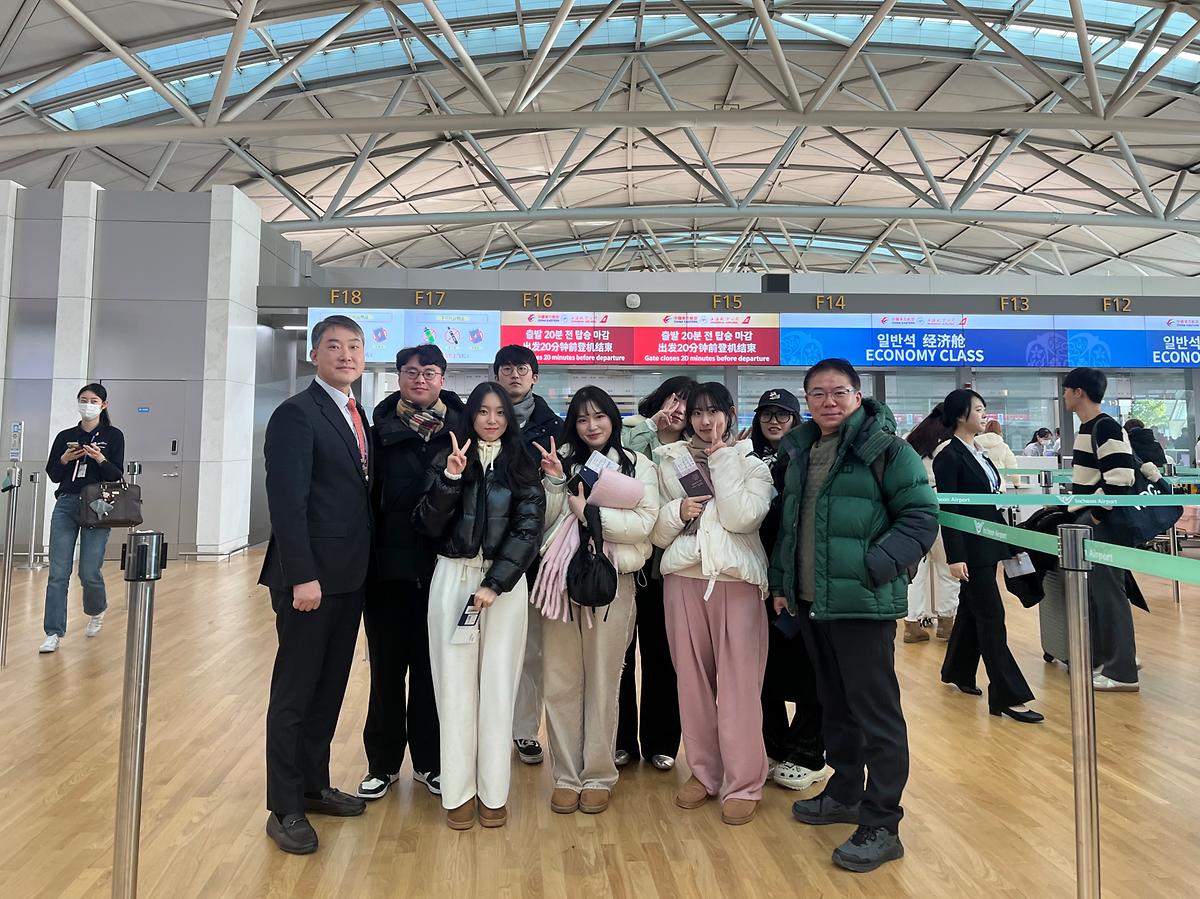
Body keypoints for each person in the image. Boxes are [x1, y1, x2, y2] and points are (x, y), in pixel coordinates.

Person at [770, 358, 937, 874]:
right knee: (835, 704)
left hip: (861, 603)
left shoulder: (887, 450)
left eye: (838, 392)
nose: (829, 402)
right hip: (811, 600)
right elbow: (791, 526)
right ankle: (845, 792)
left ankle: (883, 823)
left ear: (857, 396)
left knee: (876, 713)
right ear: (807, 401)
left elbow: (921, 517)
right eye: (818, 393)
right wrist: (782, 585)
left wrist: (874, 566)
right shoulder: (800, 449)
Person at [260, 315, 372, 855]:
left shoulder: (355, 412)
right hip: (310, 581)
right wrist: (302, 575)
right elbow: (287, 502)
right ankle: (284, 806)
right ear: (314, 354)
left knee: (329, 688)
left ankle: (313, 784)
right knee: (295, 692)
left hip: (348, 577)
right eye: (334, 346)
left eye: (354, 346)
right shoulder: (296, 414)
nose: (345, 355)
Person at [414, 382, 546, 830]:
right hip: (452, 579)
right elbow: (426, 524)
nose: (492, 420)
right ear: (470, 415)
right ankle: (458, 792)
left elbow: (528, 531)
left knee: (498, 688)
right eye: (483, 411)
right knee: (453, 688)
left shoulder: (522, 463)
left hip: (503, 590)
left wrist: (495, 583)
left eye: (500, 412)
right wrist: (451, 479)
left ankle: (493, 793)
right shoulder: (447, 458)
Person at [652, 382, 773, 827]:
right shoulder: (669, 461)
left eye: (713, 412)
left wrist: (722, 458)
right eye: (697, 413)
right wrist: (676, 512)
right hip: (683, 579)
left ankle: (744, 782)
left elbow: (741, 518)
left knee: (740, 686)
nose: (705, 421)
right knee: (692, 684)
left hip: (736, 582)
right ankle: (704, 773)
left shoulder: (752, 464)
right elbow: (655, 530)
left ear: (730, 413)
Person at [535, 386, 659, 815]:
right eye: (583, 418)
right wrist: (556, 483)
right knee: (561, 679)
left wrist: (589, 513)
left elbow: (645, 523)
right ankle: (566, 775)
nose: (592, 426)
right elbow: (543, 522)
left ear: (613, 419)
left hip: (613, 584)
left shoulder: (637, 464)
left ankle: (599, 775)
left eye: (600, 416)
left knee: (605, 681)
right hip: (560, 583)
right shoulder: (561, 460)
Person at [356, 345, 464, 802]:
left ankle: (430, 762)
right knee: (385, 673)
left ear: (443, 379)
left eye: (429, 372)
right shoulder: (376, 432)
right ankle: (381, 765)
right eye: (411, 372)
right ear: (399, 377)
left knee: (431, 672)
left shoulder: (461, 432)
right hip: (387, 574)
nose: (420, 380)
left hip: (443, 573)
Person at [934, 389, 1043, 725]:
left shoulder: (978, 451)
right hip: (970, 549)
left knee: (973, 611)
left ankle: (958, 671)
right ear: (960, 415)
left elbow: (990, 501)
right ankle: (1008, 695)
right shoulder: (948, 456)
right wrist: (955, 556)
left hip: (988, 542)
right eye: (978, 409)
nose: (984, 415)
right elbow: (950, 509)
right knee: (992, 616)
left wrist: (1008, 541)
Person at [750, 388, 827, 793]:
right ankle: (774, 745)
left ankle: (809, 751)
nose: (774, 421)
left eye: (783, 414)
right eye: (767, 414)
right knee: (766, 668)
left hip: (804, 581)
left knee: (811, 667)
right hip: (758, 582)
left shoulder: (811, 457)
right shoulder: (744, 457)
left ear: (797, 420)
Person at [615, 376, 693, 771]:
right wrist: (650, 427)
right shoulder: (631, 431)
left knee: (664, 655)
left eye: (686, 404)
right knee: (620, 657)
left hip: (668, 567)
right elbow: (615, 468)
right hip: (625, 561)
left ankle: (662, 741)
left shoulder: (690, 452)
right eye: (672, 400)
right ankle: (620, 740)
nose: (677, 410)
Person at [493, 345, 562, 767]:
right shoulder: (481, 420)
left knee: (531, 650)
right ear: (496, 376)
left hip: (535, 556)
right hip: (485, 553)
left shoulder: (555, 429)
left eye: (522, 369)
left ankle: (523, 730)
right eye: (507, 369)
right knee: (483, 647)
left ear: (535, 377)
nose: (514, 375)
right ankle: (484, 728)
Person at [1064, 368, 1139, 692]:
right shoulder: (1088, 427)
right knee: (1098, 595)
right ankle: (1112, 658)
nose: (1063, 396)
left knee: (1109, 595)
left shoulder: (1105, 426)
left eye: (1066, 390)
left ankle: (1122, 671)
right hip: (1091, 520)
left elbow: (1121, 478)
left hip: (1102, 524)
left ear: (1078, 392)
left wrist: (1094, 516)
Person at [39, 383, 126, 653]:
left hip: (98, 504)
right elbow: (54, 474)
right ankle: (53, 631)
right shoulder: (66, 435)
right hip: (66, 503)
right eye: (83, 400)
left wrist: (100, 459)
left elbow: (116, 475)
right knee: (58, 572)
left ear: (103, 405)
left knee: (89, 571)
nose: (87, 405)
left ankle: (96, 609)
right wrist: (65, 459)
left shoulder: (113, 436)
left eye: (93, 400)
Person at [901, 406, 960, 643]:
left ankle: (911, 625)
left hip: (914, 508)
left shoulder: (912, 437)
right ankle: (946, 624)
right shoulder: (951, 443)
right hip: (944, 507)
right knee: (948, 569)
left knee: (916, 572)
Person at [975, 419, 1020, 487]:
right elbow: (1012, 467)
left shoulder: (974, 443)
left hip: (979, 484)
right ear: (1000, 431)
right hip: (998, 484)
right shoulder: (1003, 447)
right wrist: (1016, 483)